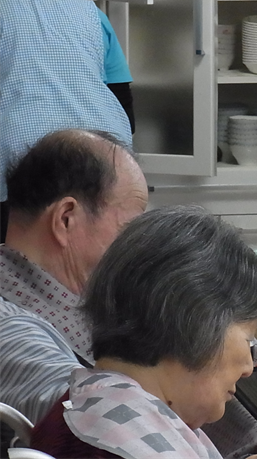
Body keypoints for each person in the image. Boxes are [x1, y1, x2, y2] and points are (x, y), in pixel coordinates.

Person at [31, 206, 257, 459]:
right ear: (197, 325)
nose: (248, 367)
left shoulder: (96, 406)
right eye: (246, 337)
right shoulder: (120, 447)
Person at [0, 129, 148, 424]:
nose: (137, 249)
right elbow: (96, 419)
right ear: (66, 218)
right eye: (129, 230)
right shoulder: (11, 327)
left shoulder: (89, 297)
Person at [0, 0, 135, 239]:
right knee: (99, 269)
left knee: (17, 270)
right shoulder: (89, 11)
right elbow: (125, 109)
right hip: (105, 163)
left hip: (17, 168)